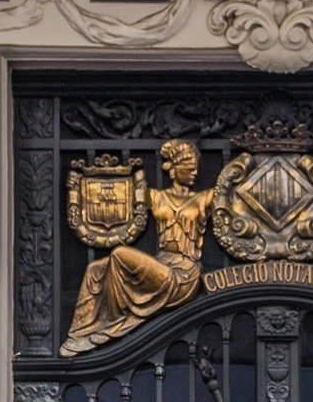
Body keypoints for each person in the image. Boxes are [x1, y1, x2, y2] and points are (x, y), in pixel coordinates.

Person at [61, 139, 214, 355]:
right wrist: (78, 187)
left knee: (120, 254)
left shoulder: (204, 198)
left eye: (197, 168)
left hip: (183, 276)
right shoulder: (155, 196)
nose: (195, 173)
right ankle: (81, 332)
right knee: (95, 269)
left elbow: (232, 191)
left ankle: (111, 322)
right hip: (161, 266)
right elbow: (120, 198)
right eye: (189, 168)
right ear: (172, 169)